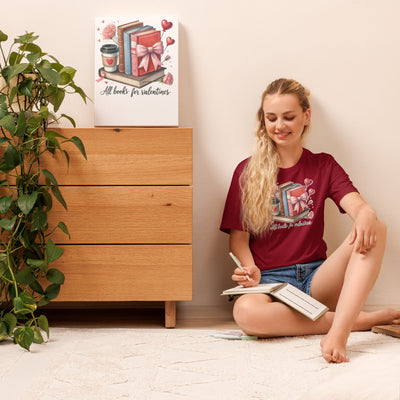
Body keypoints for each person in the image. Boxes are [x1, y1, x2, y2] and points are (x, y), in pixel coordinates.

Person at [220, 78, 400, 363]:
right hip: (270, 285)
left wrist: (365, 212)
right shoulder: (246, 171)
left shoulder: (323, 164)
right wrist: (249, 268)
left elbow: (356, 205)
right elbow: (238, 238)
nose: (280, 126)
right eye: (272, 118)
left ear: (306, 116)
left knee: (376, 226)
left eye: (289, 117)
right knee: (245, 313)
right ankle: (357, 320)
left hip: (318, 280)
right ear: (263, 120)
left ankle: (339, 332)